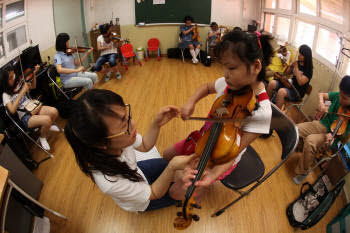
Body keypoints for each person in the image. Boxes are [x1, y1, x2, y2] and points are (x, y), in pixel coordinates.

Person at [163, 30, 273, 198]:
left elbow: (235, 151)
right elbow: (207, 87)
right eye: (223, 66)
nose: (224, 74)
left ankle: (198, 195)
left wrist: (212, 174)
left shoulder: (262, 112)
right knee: (166, 156)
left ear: (256, 66)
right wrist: (190, 102)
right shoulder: (231, 84)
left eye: (231, 68)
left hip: (219, 158)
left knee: (176, 193)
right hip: (203, 137)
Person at [64, 89, 196, 212]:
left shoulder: (122, 139)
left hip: (139, 171)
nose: (132, 124)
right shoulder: (109, 181)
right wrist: (171, 167)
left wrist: (157, 123)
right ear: (101, 143)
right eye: (124, 124)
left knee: (177, 172)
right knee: (179, 192)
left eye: (127, 117)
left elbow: (144, 145)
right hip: (145, 201)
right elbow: (153, 193)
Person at [294, 76, 350, 175]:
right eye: (340, 94)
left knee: (310, 141)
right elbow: (321, 94)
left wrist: (333, 137)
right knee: (295, 129)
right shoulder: (338, 95)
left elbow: (344, 136)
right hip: (320, 125)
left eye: (344, 98)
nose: (340, 99)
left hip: (331, 137)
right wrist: (321, 103)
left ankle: (303, 171)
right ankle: (292, 150)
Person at [1, 67, 60, 151]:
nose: (14, 78)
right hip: (25, 116)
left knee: (54, 112)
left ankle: (46, 127)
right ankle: (42, 137)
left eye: (13, 75)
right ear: (5, 82)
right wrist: (21, 92)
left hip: (33, 107)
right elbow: (12, 110)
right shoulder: (5, 95)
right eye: (10, 78)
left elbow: (33, 86)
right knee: (47, 120)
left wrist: (34, 74)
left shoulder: (19, 82)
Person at [267, 44, 313, 109]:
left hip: (297, 92)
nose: (299, 55)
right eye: (299, 52)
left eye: (301, 54)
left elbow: (300, 82)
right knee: (272, 83)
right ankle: (266, 105)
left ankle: (275, 115)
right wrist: (291, 67)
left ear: (306, 57)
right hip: (290, 85)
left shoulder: (309, 70)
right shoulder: (298, 62)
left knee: (281, 92)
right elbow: (287, 73)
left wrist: (296, 67)